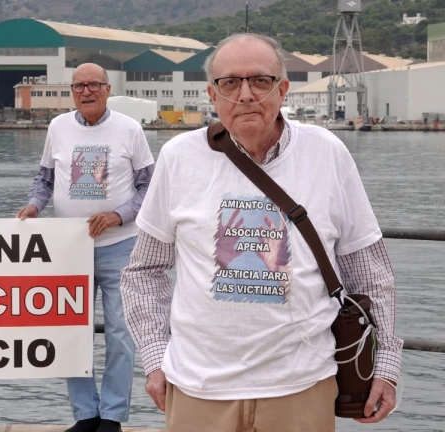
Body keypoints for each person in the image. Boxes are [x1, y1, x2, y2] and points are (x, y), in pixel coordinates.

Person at [121, 33, 402, 432]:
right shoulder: (179, 157)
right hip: (198, 388)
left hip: (302, 386)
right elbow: (144, 271)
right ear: (212, 94)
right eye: (230, 82)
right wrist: (155, 356)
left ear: (282, 89)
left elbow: (369, 269)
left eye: (260, 80)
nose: (246, 94)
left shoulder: (326, 153)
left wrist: (386, 364)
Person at [16, 63, 155, 432]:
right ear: (72, 91)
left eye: (94, 84)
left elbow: (150, 187)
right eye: (79, 86)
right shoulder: (57, 127)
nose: (87, 91)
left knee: (120, 334)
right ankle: (85, 414)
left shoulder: (130, 129)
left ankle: (111, 417)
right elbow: (44, 179)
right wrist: (34, 206)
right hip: (70, 248)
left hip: (121, 246)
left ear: (107, 89)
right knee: (71, 333)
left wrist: (118, 215)